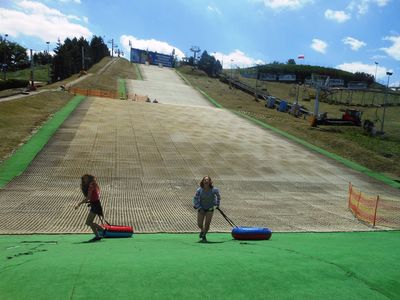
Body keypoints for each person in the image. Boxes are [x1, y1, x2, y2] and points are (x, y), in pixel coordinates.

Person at [75, 174, 104, 242]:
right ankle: (97, 236)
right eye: (84, 179)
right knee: (90, 222)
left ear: (89, 178)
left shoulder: (91, 185)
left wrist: (79, 204)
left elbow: (88, 197)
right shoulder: (91, 185)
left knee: (88, 222)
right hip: (95, 204)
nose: (84, 180)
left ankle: (101, 229)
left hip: (95, 205)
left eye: (86, 178)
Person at [193, 176, 221, 243]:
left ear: (210, 182)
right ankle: (202, 230)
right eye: (205, 180)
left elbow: (218, 197)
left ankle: (204, 235)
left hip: (210, 208)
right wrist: (198, 206)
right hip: (201, 208)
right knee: (199, 224)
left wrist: (217, 205)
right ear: (203, 181)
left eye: (207, 180)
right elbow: (195, 199)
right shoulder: (199, 190)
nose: (206, 181)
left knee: (207, 224)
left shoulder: (214, 189)